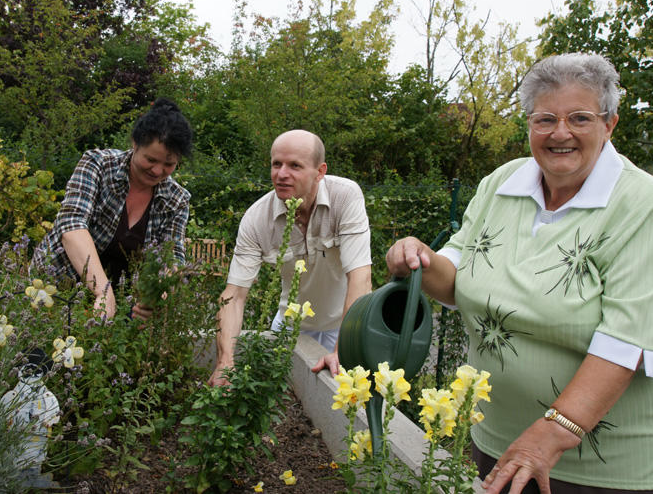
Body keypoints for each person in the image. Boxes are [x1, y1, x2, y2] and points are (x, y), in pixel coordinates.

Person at [387, 53, 653, 493]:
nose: (560, 133)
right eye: (545, 119)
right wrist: (420, 258)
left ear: (610, 125)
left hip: (599, 469)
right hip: (497, 443)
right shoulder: (502, 183)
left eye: (580, 118)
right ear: (529, 124)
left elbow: (625, 340)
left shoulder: (641, 204)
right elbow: (455, 275)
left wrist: (550, 433)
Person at [208, 129, 372, 386]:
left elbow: (360, 278)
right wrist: (225, 362)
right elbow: (234, 295)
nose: (281, 174)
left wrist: (342, 351)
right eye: (276, 164)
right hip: (287, 329)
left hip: (343, 328)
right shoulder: (256, 219)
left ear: (320, 171)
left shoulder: (345, 197)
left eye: (295, 165)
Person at [32, 98, 192, 320]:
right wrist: (103, 291)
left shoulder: (177, 200)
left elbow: (171, 255)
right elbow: (71, 225)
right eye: (150, 159)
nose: (157, 171)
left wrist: (158, 294)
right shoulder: (97, 164)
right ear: (135, 144)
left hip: (122, 303)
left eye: (168, 164)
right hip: (58, 288)